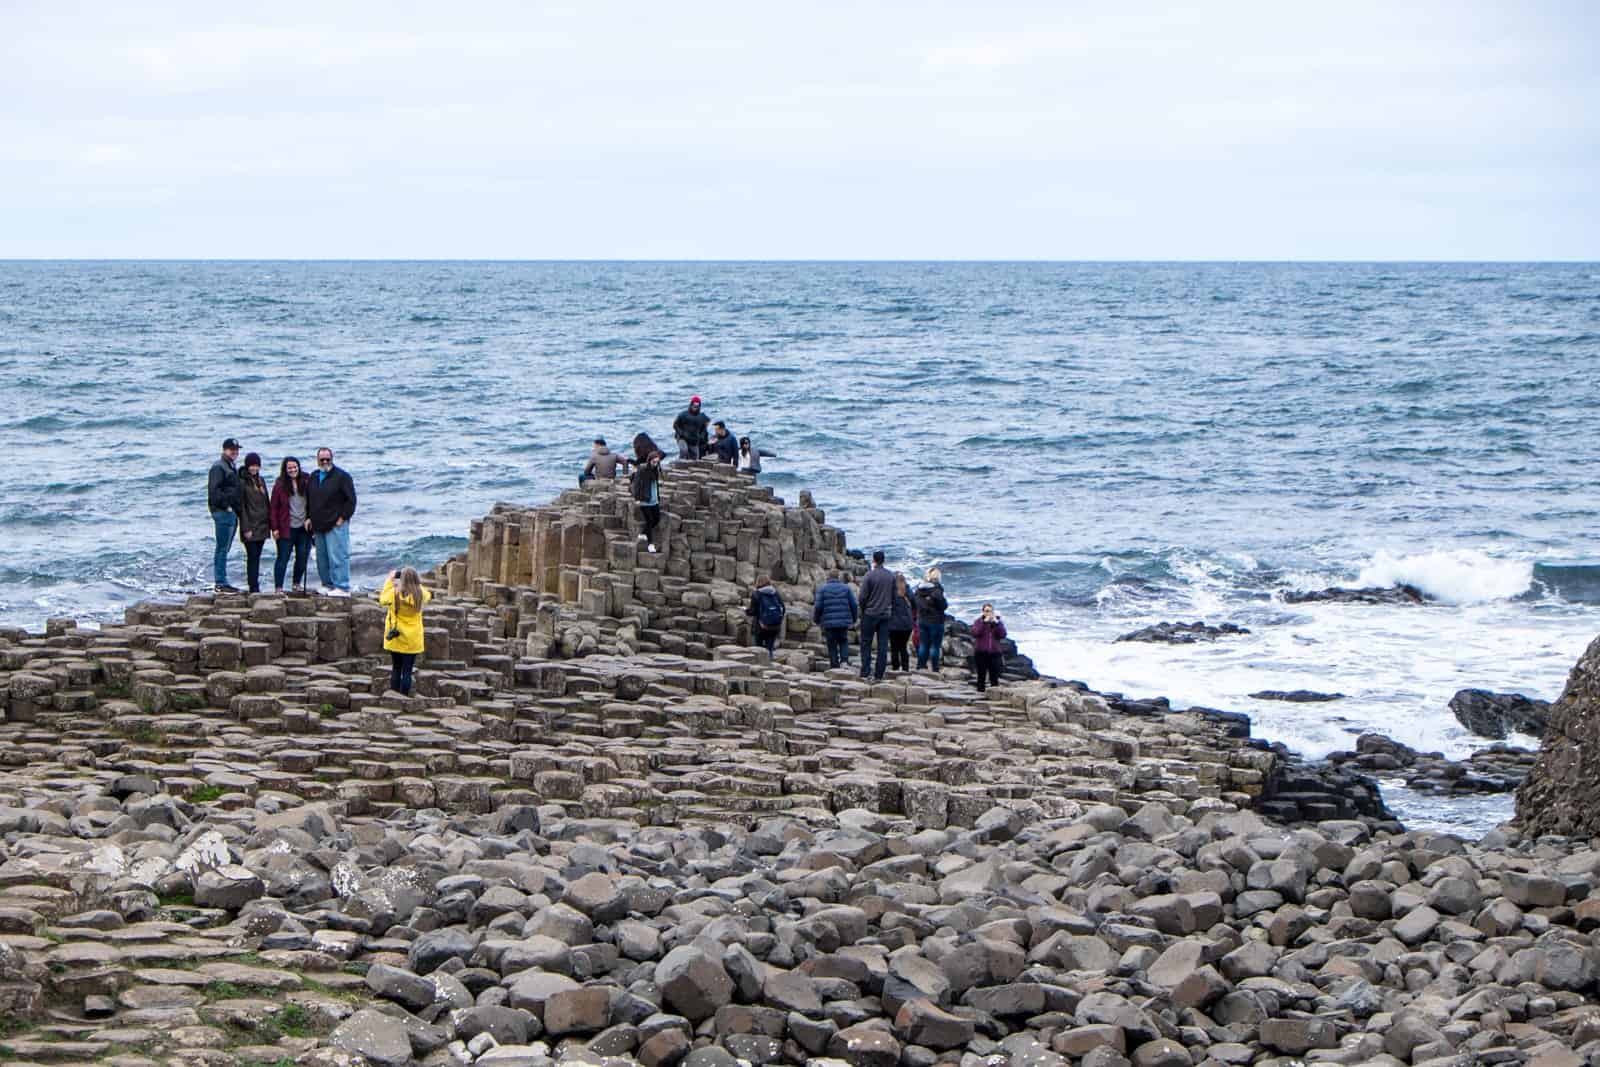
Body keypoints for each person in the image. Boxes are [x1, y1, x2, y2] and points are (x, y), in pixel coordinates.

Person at [307, 447, 357, 597]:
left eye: (327, 459)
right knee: (322, 557)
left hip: (336, 524)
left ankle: (342, 586)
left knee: (338, 555)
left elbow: (351, 500)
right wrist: (309, 517)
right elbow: (310, 499)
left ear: (332, 459)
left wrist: (343, 517)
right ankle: (327, 584)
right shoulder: (314, 476)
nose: (325, 462)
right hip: (318, 524)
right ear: (317, 460)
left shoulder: (342, 476)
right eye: (322, 459)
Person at [379, 566, 431, 696]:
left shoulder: (393, 593)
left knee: (396, 668)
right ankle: (404, 697)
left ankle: (394, 696)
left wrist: (390, 579)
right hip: (412, 638)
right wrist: (415, 582)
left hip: (396, 636)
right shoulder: (420, 594)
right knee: (407, 671)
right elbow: (427, 594)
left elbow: (382, 599)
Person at [270, 456, 313, 592]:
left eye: (295, 467)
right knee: (283, 558)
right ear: (285, 469)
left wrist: (310, 518)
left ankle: (296, 584)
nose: (293, 470)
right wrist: (274, 528)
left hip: (303, 527)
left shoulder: (307, 480)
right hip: (286, 528)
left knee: (302, 556)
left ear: (298, 467)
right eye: (289, 468)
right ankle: (278, 588)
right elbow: (273, 508)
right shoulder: (280, 485)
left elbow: (314, 501)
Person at [207, 437, 242, 593]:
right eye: (231, 449)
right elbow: (214, 493)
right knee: (222, 548)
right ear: (224, 450)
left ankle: (222, 580)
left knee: (225, 548)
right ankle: (220, 582)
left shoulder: (230, 466)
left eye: (236, 450)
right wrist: (226, 506)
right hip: (223, 513)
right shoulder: (218, 467)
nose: (234, 452)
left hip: (231, 513)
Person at [857, 550, 896, 681]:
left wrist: (864, 609)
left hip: (870, 613)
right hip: (885, 615)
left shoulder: (869, 575)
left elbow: (862, 597)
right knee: (883, 645)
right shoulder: (890, 576)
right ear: (883, 560)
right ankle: (879, 673)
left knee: (866, 643)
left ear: (874, 560)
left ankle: (865, 671)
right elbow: (894, 597)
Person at [236, 453, 270, 594]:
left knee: (257, 557)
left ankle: (255, 585)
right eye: (252, 465)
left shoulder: (261, 480)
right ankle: (253, 587)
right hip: (250, 526)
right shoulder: (242, 482)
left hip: (262, 526)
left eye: (256, 465)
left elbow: (267, 503)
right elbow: (241, 507)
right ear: (247, 466)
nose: (254, 468)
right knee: (252, 557)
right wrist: (246, 528)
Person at [813, 571, 858, 669]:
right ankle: (844, 661)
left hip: (828, 622)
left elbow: (818, 606)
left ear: (828, 577)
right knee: (843, 640)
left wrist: (816, 620)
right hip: (843, 621)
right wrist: (854, 619)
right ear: (838, 577)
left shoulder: (822, 589)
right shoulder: (846, 588)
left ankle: (834, 665)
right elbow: (854, 605)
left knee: (831, 642)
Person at [914, 567, 949, 670]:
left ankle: (921, 665)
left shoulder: (919, 589)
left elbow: (916, 603)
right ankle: (935, 668)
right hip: (936, 621)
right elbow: (943, 605)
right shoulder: (937, 590)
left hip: (922, 620)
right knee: (935, 646)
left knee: (923, 644)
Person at [630, 450, 663, 554]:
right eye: (654, 462)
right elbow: (636, 485)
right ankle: (650, 544)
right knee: (649, 521)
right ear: (649, 460)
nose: (655, 464)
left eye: (657, 462)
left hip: (654, 499)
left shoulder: (656, 469)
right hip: (645, 500)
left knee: (656, 519)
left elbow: (655, 484)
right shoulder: (643, 469)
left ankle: (643, 533)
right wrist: (637, 499)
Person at [971, 603, 1008, 693]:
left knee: (994, 676)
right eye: (987, 611)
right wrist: (984, 623)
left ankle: (994, 694)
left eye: (990, 611)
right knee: (981, 675)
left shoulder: (997, 622)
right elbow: (975, 633)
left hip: (994, 652)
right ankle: (980, 694)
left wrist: (997, 624)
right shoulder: (978, 622)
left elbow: (1002, 634)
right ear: (983, 612)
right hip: (981, 652)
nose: (989, 613)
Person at [746, 575, 786, 654]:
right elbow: (783, 608)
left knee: (758, 650)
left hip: (761, 626)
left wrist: (746, 611)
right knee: (769, 649)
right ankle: (769, 663)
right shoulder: (775, 592)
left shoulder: (756, 594)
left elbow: (752, 612)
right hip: (774, 627)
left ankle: (759, 665)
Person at [888, 573, 917, 672]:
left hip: (893, 624)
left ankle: (895, 668)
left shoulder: (891, 591)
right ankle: (905, 669)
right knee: (903, 647)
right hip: (907, 624)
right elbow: (915, 604)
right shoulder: (908, 591)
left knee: (894, 648)